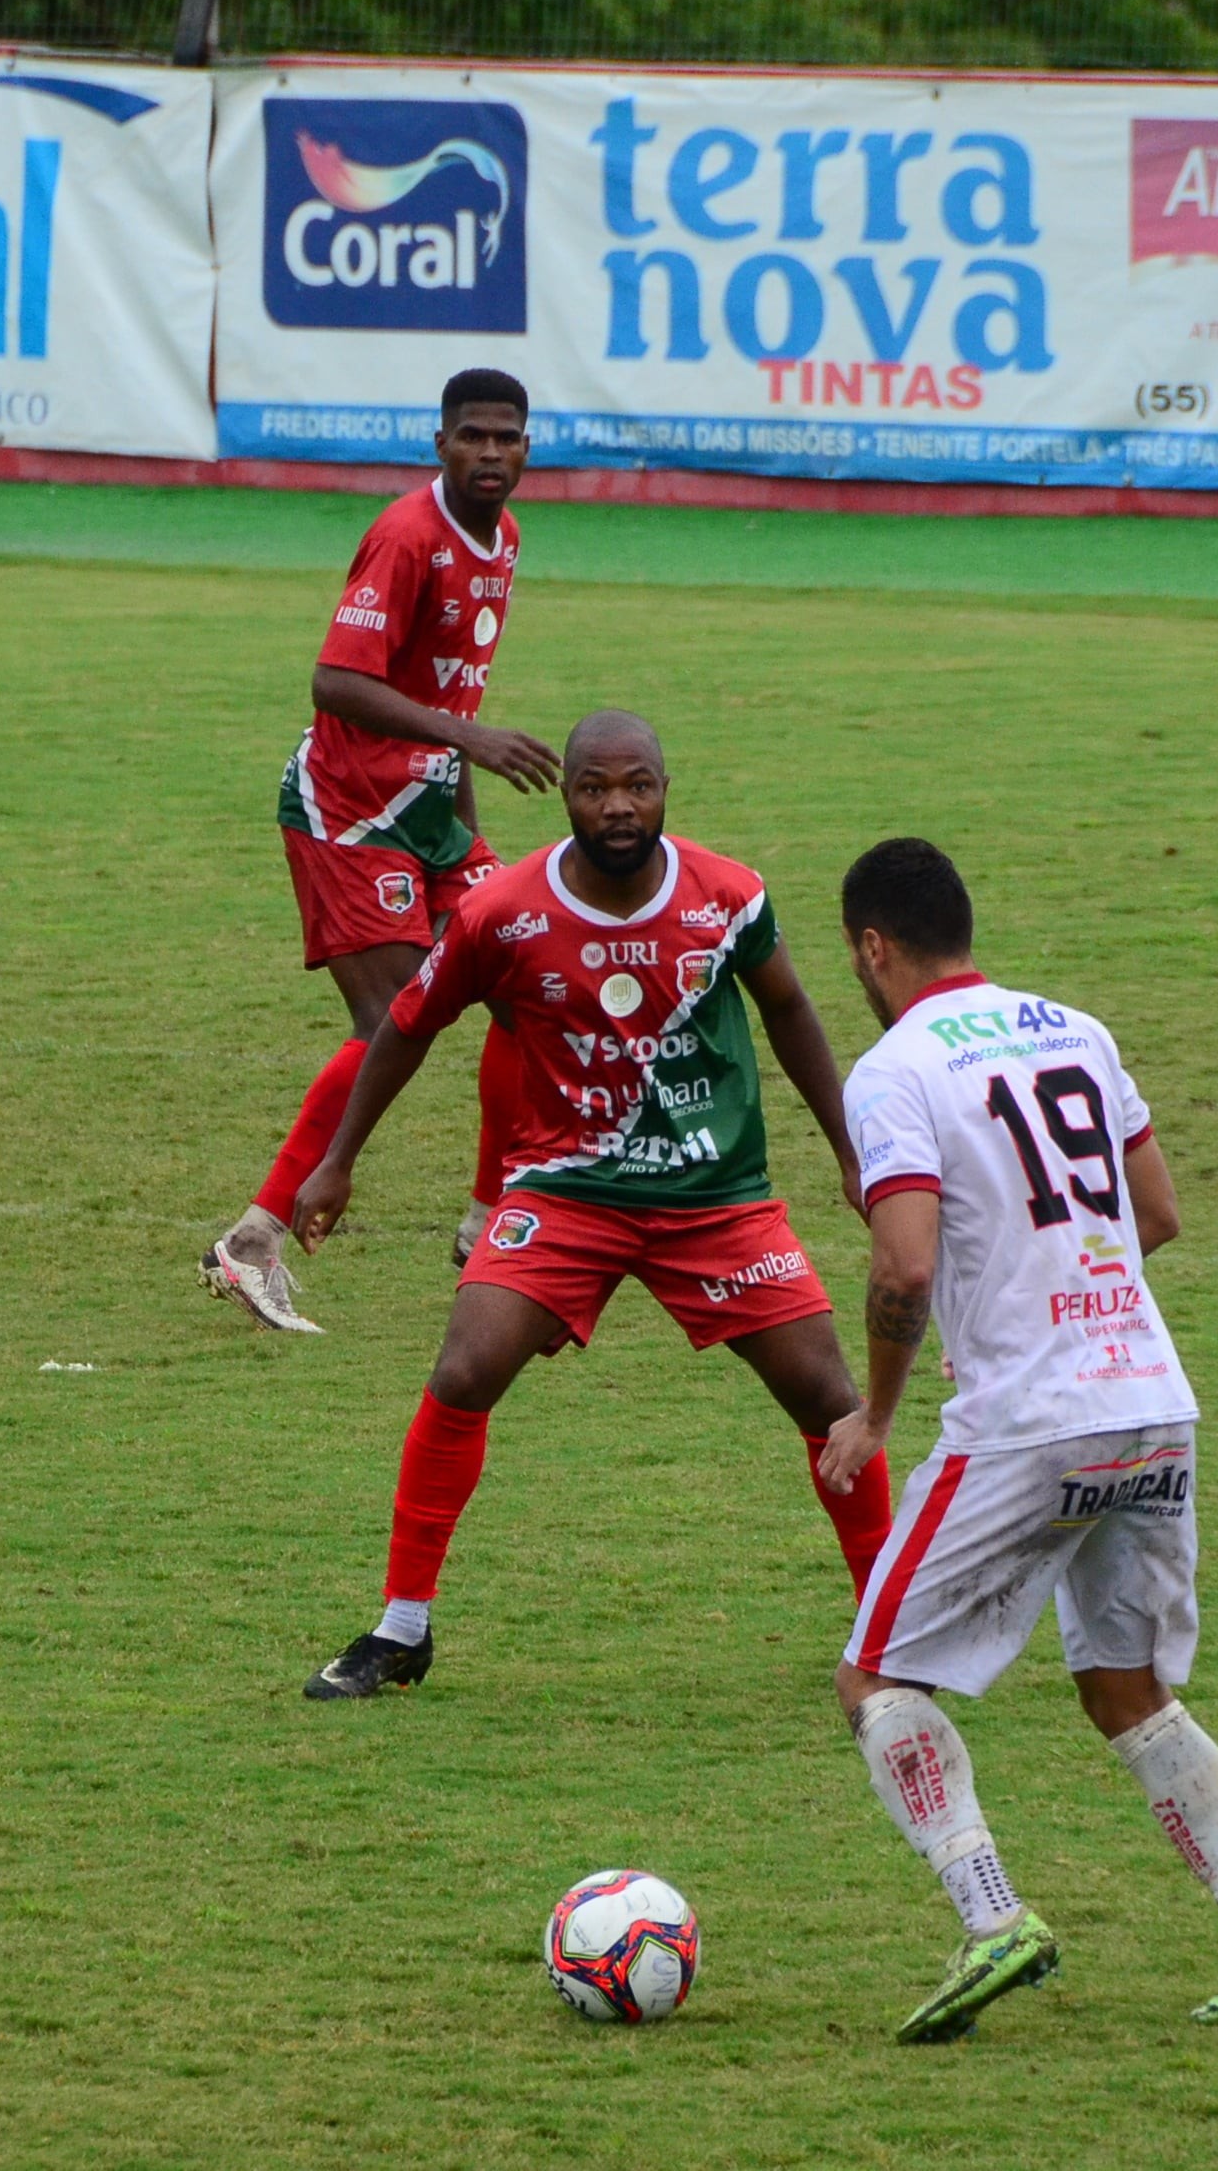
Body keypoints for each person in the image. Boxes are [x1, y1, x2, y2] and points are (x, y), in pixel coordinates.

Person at [817, 837, 1218, 2041]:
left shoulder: (893, 1070)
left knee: (874, 1677)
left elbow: (903, 1267)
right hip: (1149, 1401)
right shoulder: (1077, 1031)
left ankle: (992, 1917)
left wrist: (877, 1410)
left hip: (1028, 1422)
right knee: (1125, 1688)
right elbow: (1158, 1212)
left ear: (872, 948)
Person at [284, 710, 902, 1700]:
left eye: (637, 786)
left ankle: (894, 1631)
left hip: (714, 1198)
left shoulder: (728, 897)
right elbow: (408, 1023)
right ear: (566, 793)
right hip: (566, 1193)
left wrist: (847, 1150)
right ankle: (401, 1628)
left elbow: (788, 1007)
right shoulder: (501, 912)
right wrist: (338, 1162)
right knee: (464, 1370)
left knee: (827, 1399)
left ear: (664, 791)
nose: (618, 806)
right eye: (596, 787)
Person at [205, 368, 554, 1334]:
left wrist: (465, 823)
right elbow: (335, 681)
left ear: (528, 448)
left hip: (431, 812)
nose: (491, 452)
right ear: (439, 443)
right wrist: (470, 737)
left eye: (507, 437)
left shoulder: (504, 538)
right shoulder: (407, 537)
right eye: (473, 435)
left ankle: (488, 1217)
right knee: (395, 1017)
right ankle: (254, 1238)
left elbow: (451, 691)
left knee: (528, 975)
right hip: (350, 812)